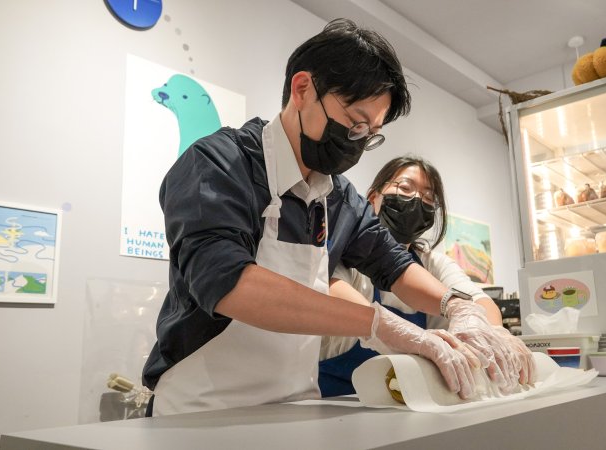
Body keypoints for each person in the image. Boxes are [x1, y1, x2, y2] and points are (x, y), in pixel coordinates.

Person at [142, 19, 482, 416]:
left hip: (295, 406)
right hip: (200, 410)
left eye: (370, 133)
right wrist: (377, 323)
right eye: (354, 123)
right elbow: (228, 282)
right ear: (302, 89)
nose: (358, 141)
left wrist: (458, 306)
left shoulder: (339, 197)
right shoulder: (218, 164)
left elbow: (394, 265)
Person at [320, 155, 535, 397]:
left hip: (407, 404)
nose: (416, 201)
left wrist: (493, 332)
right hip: (334, 402)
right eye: (405, 188)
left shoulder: (432, 263)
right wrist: (385, 327)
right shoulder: (346, 252)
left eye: (428, 198)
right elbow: (331, 290)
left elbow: (478, 301)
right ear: (372, 198)